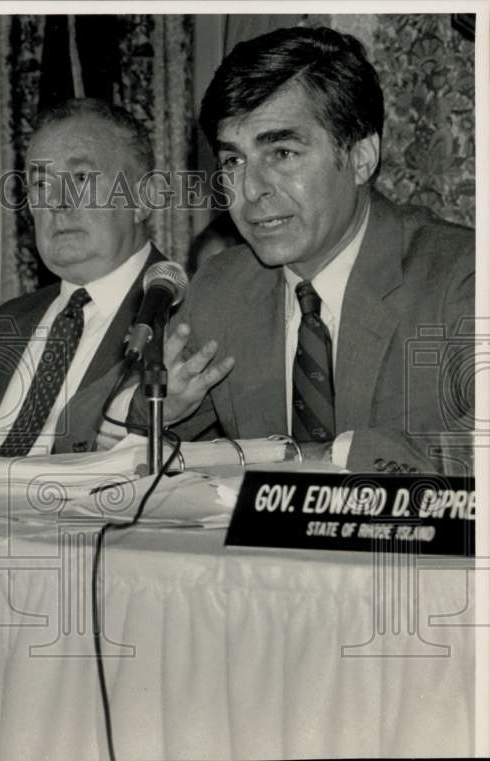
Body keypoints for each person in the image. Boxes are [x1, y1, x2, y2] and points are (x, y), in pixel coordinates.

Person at [160, 26, 474, 472]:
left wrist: (330, 458)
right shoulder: (220, 288)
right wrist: (155, 415)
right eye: (233, 161)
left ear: (361, 157)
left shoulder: (462, 275)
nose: (250, 190)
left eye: (283, 153)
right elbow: (106, 440)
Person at [0, 98, 233, 459]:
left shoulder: (192, 317)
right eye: (41, 184)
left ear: (145, 198)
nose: (58, 203)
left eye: (81, 178)